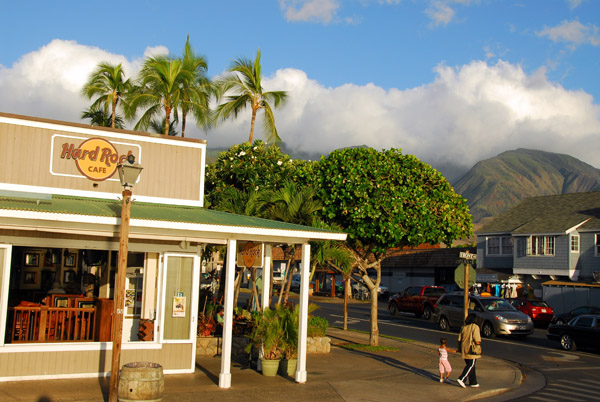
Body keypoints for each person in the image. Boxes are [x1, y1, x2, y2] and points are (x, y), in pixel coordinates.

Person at [457, 313, 482, 388]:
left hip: (464, 348)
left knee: (471, 365)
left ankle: (473, 382)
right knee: (471, 365)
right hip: (472, 349)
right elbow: (477, 340)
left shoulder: (463, 327)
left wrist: (459, 348)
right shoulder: (475, 327)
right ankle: (461, 378)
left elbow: (459, 339)